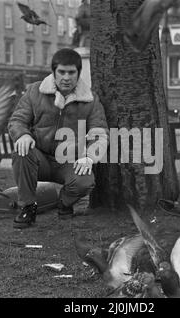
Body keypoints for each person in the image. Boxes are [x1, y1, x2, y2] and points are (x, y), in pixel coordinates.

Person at [8, 48, 109, 229]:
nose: (66, 77)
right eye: (61, 72)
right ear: (54, 72)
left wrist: (89, 157)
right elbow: (17, 120)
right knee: (21, 151)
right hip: (39, 158)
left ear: (78, 74)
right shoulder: (34, 91)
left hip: (69, 161)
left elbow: (100, 133)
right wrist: (22, 135)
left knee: (85, 181)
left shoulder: (91, 100)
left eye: (71, 72)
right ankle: (28, 207)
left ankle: (64, 203)